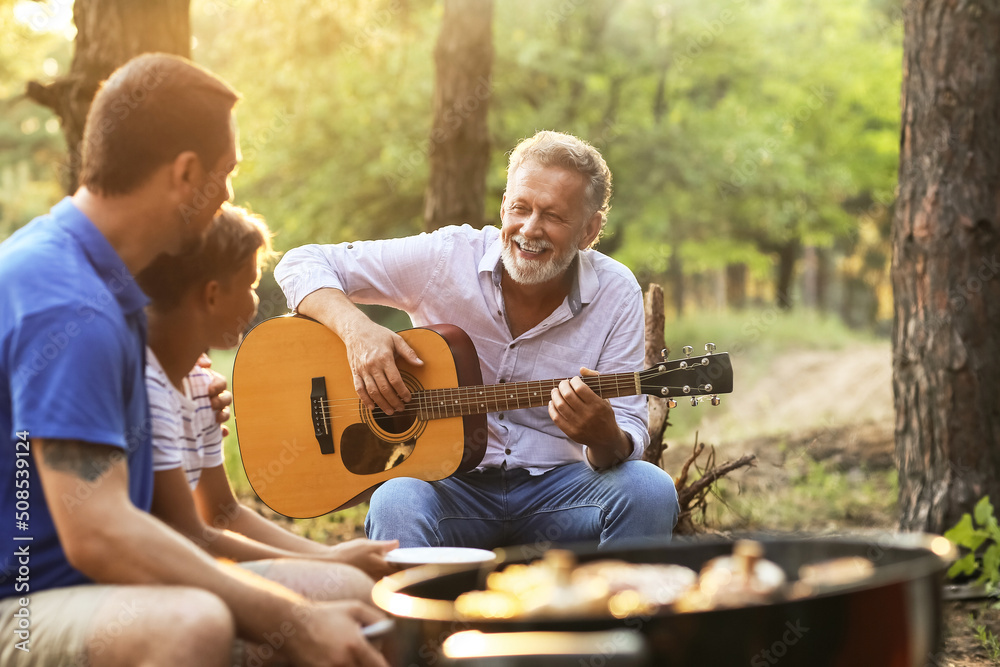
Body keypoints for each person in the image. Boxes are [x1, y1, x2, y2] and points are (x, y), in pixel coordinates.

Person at [0, 54, 388, 667]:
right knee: (190, 624)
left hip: (101, 588)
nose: (229, 195)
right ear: (186, 174)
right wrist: (292, 619)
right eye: (226, 173)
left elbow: (176, 521)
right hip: (21, 606)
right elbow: (97, 534)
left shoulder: (112, 291)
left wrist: (314, 582)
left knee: (342, 592)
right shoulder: (65, 298)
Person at [275, 130, 679, 551]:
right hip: (447, 489)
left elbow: (628, 429)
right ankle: (420, 616)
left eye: (554, 216)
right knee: (395, 499)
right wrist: (356, 332)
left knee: (649, 490)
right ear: (504, 206)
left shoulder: (616, 292)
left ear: (589, 230)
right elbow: (301, 262)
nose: (530, 229)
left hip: (560, 495)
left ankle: (619, 617)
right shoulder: (447, 257)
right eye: (521, 208)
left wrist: (603, 436)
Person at [137, 202, 397, 586]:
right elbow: (194, 535)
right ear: (211, 295)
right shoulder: (148, 385)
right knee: (354, 590)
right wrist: (330, 563)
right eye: (251, 286)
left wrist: (332, 557)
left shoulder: (198, 384)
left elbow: (223, 513)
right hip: (166, 580)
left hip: (192, 568)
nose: (255, 302)